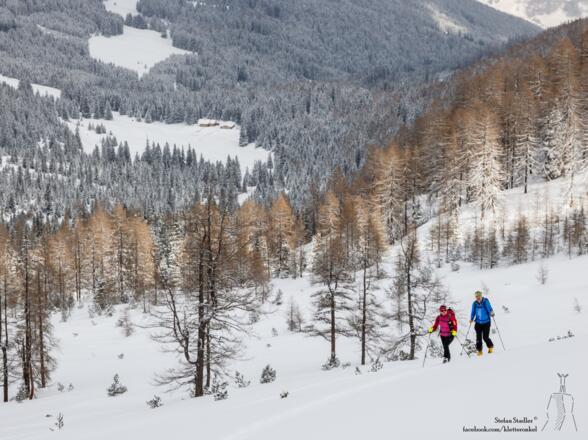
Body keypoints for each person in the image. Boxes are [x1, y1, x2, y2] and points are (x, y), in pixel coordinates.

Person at [470, 290, 494, 356]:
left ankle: (490, 346)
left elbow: (489, 308)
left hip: (486, 322)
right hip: (478, 323)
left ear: (481, 296)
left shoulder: (485, 301)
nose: (478, 298)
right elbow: (473, 312)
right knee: (478, 338)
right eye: (477, 296)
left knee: (485, 337)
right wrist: (471, 319)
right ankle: (480, 351)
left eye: (479, 296)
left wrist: (491, 313)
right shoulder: (474, 303)